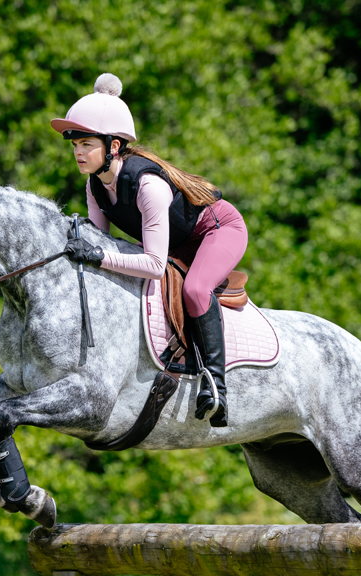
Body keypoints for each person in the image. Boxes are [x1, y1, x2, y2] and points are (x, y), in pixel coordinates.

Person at [51, 74, 248, 428]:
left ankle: (216, 386)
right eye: (74, 145)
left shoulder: (147, 185)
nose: (78, 152)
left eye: (85, 144)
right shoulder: (95, 187)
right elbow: (102, 243)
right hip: (176, 242)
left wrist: (97, 256)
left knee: (195, 289)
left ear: (112, 146)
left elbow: (154, 266)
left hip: (216, 230)